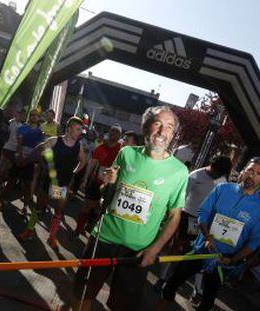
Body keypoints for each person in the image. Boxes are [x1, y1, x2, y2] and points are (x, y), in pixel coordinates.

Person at [72, 106, 188, 311]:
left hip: (138, 250)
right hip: (104, 238)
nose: (162, 132)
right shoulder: (126, 154)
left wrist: (154, 249)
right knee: (83, 294)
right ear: (146, 127)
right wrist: (106, 183)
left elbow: (174, 216)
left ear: (173, 134)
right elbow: (105, 193)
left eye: (169, 127)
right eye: (158, 124)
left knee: (123, 306)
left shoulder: (179, 172)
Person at [158, 157, 260, 311]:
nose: (252, 175)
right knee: (171, 284)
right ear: (243, 170)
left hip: (223, 261)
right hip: (200, 250)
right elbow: (203, 213)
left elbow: (253, 242)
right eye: (250, 170)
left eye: (258, 174)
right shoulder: (222, 188)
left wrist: (232, 259)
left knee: (207, 302)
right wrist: (207, 236)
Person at [154, 155, 232, 296]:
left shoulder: (223, 180)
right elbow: (181, 198)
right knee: (176, 248)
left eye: (220, 174)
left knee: (202, 254)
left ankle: (197, 289)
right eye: (216, 172)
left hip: (207, 221)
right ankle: (162, 278)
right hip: (188, 216)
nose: (217, 176)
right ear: (211, 165)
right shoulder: (195, 176)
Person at [19, 116, 86, 247]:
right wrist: (28, 159)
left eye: (80, 130)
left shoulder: (79, 146)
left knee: (58, 211)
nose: (79, 132)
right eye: (77, 129)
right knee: (39, 207)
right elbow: (40, 149)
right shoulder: (54, 141)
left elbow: (83, 161)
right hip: (48, 181)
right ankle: (29, 230)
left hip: (61, 185)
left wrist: (74, 172)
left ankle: (52, 237)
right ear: (69, 128)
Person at [74, 123, 122, 236]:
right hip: (96, 182)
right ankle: (78, 229)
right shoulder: (100, 147)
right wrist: (85, 180)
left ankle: (90, 227)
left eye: (116, 131)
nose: (113, 133)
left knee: (99, 209)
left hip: (109, 186)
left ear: (119, 135)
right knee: (87, 205)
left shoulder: (121, 151)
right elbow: (91, 164)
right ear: (109, 132)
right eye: (112, 130)